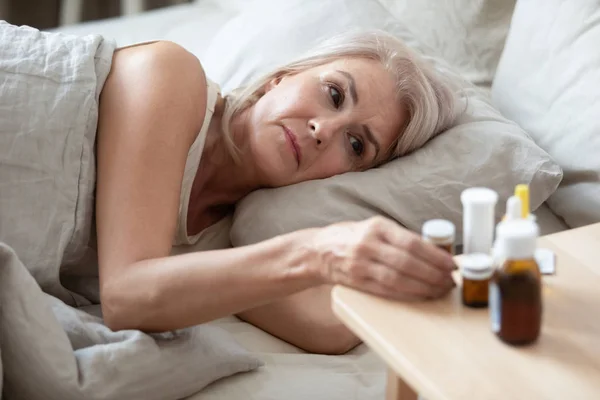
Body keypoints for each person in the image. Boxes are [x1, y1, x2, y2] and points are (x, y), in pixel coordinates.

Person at [3, 28, 461, 355]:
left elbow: (329, 328)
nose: (325, 129)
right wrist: (318, 250)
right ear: (278, 79)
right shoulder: (171, 75)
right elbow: (126, 295)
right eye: (335, 94)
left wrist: (450, 272)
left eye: (357, 144)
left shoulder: (224, 242)